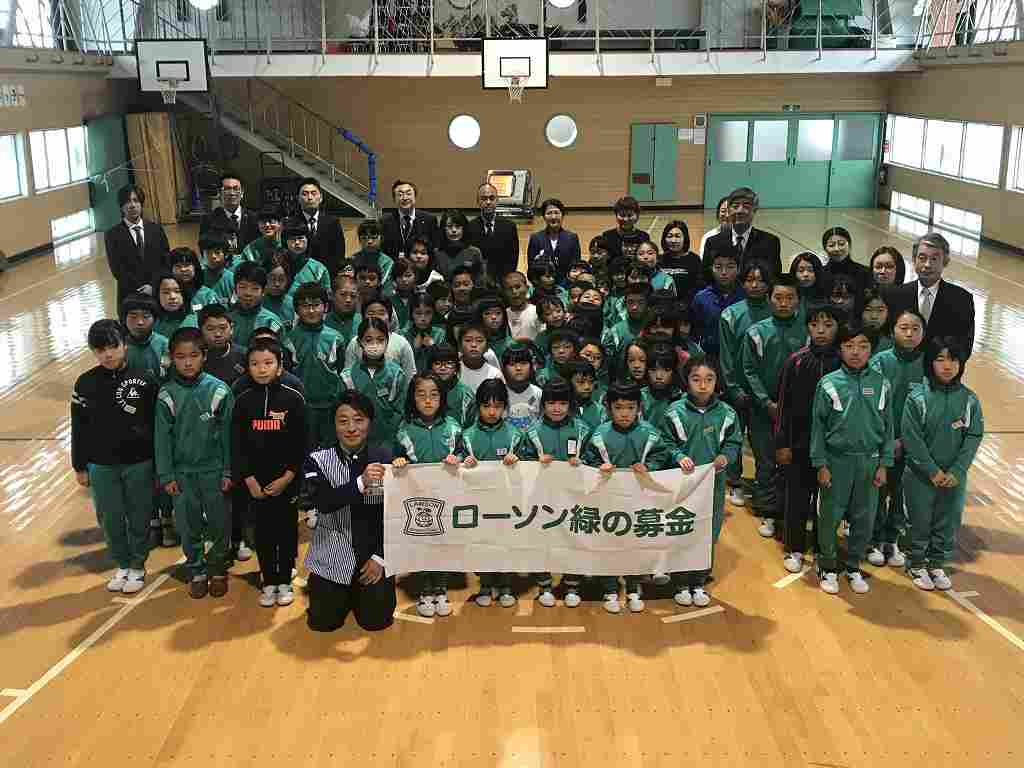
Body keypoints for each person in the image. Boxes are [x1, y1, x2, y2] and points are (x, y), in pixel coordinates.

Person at [72, 320, 159, 594]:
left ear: (124, 345)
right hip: (100, 464)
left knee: (139, 514)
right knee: (109, 517)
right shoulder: (84, 383)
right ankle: (121, 563)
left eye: (113, 347)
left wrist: (160, 463)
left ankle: (137, 564)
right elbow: (79, 427)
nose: (108, 354)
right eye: (100, 349)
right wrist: (80, 466)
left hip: (139, 462)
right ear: (93, 352)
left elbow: (157, 424)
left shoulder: (145, 378)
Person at [810, 323, 894, 596]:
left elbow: (888, 426)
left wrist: (884, 463)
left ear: (872, 349)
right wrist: (821, 464)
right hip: (837, 462)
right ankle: (827, 565)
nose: (856, 352)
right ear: (840, 349)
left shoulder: (881, 384)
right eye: (849, 346)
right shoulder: (829, 383)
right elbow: (818, 428)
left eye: (863, 346)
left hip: (869, 463)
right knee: (830, 516)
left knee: (865, 517)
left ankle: (854, 565)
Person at [303, 391, 396, 632]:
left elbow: (398, 515)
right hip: (333, 551)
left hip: (372, 555)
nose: (351, 428)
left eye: (359, 420)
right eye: (343, 421)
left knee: (377, 622)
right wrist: (360, 482)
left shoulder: (386, 458)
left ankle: (360, 591)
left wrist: (380, 556)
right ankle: (332, 588)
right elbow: (323, 502)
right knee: (322, 623)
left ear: (370, 423)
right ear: (333, 424)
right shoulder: (317, 460)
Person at [155, 327, 235, 599]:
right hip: (182, 473)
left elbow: (228, 435)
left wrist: (228, 470)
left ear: (204, 356)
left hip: (213, 472)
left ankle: (217, 569)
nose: (187, 362)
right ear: (172, 359)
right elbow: (161, 439)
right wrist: (167, 475)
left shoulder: (219, 390)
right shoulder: (167, 394)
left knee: (219, 523)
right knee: (188, 525)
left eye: (193, 356)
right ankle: (197, 569)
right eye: (180, 357)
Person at [902, 336, 984, 592]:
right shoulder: (917, 398)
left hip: (953, 478)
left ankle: (937, 562)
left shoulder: (969, 400)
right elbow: (911, 438)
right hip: (920, 476)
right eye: (940, 359)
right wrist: (932, 470)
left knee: (948, 519)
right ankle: (916, 562)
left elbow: (973, 436)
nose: (947, 366)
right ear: (930, 364)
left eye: (953, 360)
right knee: (920, 520)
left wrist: (958, 470)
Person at [661, 355, 741, 607]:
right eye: (696, 379)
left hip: (713, 485)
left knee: (708, 533)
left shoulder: (727, 413)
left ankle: (699, 581)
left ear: (717, 381)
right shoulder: (674, 411)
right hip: (683, 485)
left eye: (709, 379)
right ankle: (681, 582)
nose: (703, 385)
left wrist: (725, 458)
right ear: (687, 381)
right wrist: (679, 455)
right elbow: (665, 442)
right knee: (682, 530)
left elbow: (734, 442)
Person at [232, 337, 307, 607]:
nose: (261, 369)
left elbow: (302, 443)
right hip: (255, 484)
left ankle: (285, 579)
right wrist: (249, 479)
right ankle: (269, 579)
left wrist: (288, 477)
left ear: (280, 366)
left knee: (286, 531)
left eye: (268, 363)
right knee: (262, 533)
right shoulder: (241, 401)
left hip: (287, 482)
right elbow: (237, 445)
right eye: (254, 363)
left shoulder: (293, 398)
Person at [581, 381, 667, 614]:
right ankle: (609, 588)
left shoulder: (649, 433)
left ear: (639, 407)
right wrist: (600, 466)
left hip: (640, 501)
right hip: (608, 502)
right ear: (609, 408)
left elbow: (663, 456)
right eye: (619, 408)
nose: (625, 413)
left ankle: (633, 586)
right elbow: (587, 460)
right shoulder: (599, 434)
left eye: (630, 408)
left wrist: (649, 466)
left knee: (635, 542)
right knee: (609, 542)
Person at [775, 303, 842, 574]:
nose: (821, 330)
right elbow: (783, 407)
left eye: (828, 325)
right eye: (815, 325)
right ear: (807, 328)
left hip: (832, 450)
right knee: (797, 499)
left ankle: (821, 544)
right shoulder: (796, 361)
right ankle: (794, 547)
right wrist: (782, 443)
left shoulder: (843, 361)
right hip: (799, 446)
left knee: (828, 502)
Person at [392, 372, 464, 618]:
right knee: (422, 542)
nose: (428, 400)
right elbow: (396, 456)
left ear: (442, 398)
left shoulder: (454, 426)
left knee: (443, 544)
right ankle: (424, 589)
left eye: (434, 395)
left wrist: (459, 459)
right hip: (418, 500)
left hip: (447, 498)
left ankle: (441, 588)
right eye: (421, 395)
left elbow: (464, 455)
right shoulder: (404, 429)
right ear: (413, 399)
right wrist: (398, 460)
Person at [741, 273, 806, 535]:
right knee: (766, 462)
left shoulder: (806, 331)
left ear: (798, 301)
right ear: (769, 300)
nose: (783, 303)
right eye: (778, 297)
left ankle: (788, 512)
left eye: (790, 298)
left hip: (795, 413)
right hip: (763, 411)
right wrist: (766, 402)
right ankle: (767, 512)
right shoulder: (756, 332)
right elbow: (749, 370)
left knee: (792, 463)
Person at [521, 376, 589, 608]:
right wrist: (535, 463)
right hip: (542, 499)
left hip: (573, 499)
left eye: (562, 403)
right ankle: (544, 586)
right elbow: (522, 462)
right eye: (551, 403)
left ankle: (572, 585)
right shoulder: (532, 431)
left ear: (570, 404)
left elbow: (594, 460)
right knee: (542, 542)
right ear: (543, 405)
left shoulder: (582, 430)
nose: (557, 408)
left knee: (573, 540)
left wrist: (583, 462)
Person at [866, 308, 926, 569]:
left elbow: (929, 410)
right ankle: (874, 538)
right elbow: (872, 405)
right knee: (877, 490)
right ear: (892, 331)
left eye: (915, 328)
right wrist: (888, 440)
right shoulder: (879, 361)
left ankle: (893, 538)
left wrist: (907, 441)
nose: (910, 333)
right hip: (881, 441)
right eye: (904, 328)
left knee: (901, 493)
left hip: (912, 444)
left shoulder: (928, 364)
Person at [460, 379, 523, 608]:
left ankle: (506, 585)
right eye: (486, 406)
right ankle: (485, 584)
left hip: (506, 504)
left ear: (505, 407)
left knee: (505, 544)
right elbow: (455, 462)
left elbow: (528, 466)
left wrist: (518, 460)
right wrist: (463, 462)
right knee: (482, 545)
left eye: (497, 406)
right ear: (478, 407)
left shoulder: (515, 435)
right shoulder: (467, 436)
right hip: (478, 505)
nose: (492, 411)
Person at [718, 260, 773, 510]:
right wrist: (734, 389)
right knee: (734, 441)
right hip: (736, 393)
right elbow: (726, 356)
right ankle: (735, 483)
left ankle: (764, 489)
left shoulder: (777, 312)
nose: (755, 285)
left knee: (764, 446)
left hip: (764, 396)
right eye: (750, 280)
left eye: (760, 280)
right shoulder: (730, 315)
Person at [885, 232, 976, 358]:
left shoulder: (961, 300)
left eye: (934, 259)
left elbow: (964, 346)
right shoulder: (896, 295)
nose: (927, 265)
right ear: (914, 260)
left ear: (945, 262)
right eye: (922, 258)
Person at [285, 282, 343, 450]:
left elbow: (340, 371)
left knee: (330, 452)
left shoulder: (336, 338)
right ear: (296, 310)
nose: (311, 311)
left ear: (325, 307)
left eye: (316, 305)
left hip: (330, 407)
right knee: (303, 451)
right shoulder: (289, 339)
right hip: (301, 407)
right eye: (305, 306)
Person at [339, 317, 408, 446]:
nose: (374, 345)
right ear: (360, 342)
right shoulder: (346, 376)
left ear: (387, 341)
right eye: (368, 340)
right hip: (356, 442)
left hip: (388, 443)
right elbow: (342, 413)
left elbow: (400, 412)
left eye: (380, 340)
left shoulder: (397, 374)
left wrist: (390, 439)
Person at [104, 184, 171, 310]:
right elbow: (117, 269)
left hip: (157, 293)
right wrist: (140, 289)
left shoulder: (156, 229)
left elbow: (166, 261)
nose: (132, 205)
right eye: (128, 201)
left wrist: (153, 286)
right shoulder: (112, 235)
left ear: (141, 204)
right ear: (121, 206)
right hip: (129, 296)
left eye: (136, 200)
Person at [702, 188, 782, 282]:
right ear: (728, 210)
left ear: (754, 210)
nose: (740, 211)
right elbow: (706, 277)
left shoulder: (770, 242)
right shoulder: (712, 242)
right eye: (735, 206)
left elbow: (774, 277)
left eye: (746, 206)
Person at [692, 249, 742, 363]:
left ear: (738, 269)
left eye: (730, 267)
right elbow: (694, 332)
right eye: (718, 267)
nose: (724, 272)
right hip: (710, 357)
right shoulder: (701, 298)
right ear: (711, 268)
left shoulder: (746, 297)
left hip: (740, 358)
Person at [466, 183, 520, 284]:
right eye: (484, 198)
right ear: (477, 201)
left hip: (503, 280)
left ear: (497, 200)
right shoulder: (469, 227)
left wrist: (506, 280)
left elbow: (513, 258)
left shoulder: (509, 226)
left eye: (492, 198)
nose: (488, 202)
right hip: (478, 281)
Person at [381, 180, 439, 266]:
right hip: (394, 270)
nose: (405, 198)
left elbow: (434, 248)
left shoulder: (429, 220)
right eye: (400, 195)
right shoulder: (384, 221)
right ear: (394, 199)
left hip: (421, 269)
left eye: (408, 194)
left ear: (415, 197)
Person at [296, 178, 345, 278]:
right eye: (305, 194)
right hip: (299, 276)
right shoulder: (291, 223)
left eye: (313, 193)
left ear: (321, 197)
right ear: (298, 198)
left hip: (327, 276)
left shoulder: (333, 222)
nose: (310, 197)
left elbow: (339, 253)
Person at [228, 262, 285, 346]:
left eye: (255, 288)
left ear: (263, 291)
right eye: (242, 287)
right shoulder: (226, 320)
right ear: (235, 289)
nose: (248, 293)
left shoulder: (271, 322)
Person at [527, 198, 581, 284]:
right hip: (543, 285)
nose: (553, 217)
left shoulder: (572, 237)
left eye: (556, 213)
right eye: (549, 213)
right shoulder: (536, 238)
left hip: (566, 285)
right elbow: (531, 267)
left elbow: (576, 265)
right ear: (544, 217)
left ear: (562, 215)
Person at [200, 172, 260, 249]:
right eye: (227, 189)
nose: (232, 193)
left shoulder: (254, 218)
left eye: (236, 189)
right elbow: (204, 247)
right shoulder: (209, 220)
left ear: (242, 193)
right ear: (219, 193)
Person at [281, 218, 332, 298]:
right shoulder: (278, 265)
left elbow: (326, 298)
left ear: (308, 239)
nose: (297, 242)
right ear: (285, 242)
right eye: (292, 239)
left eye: (300, 238)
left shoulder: (319, 268)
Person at [198, 304, 247, 388]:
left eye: (222, 328)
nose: (217, 334)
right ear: (200, 330)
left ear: (231, 329)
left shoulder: (245, 355)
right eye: (210, 329)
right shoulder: (195, 357)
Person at [428, 343, 476, 427]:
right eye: (437, 363)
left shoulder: (466, 395)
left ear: (456, 367)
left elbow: (472, 429)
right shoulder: (423, 391)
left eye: (448, 363)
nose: (443, 368)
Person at [122, 295, 168, 380]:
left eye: (146, 316)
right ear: (124, 319)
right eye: (133, 317)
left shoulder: (164, 344)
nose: (140, 322)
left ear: (154, 319)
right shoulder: (120, 346)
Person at [821, 227, 872, 298]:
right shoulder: (820, 273)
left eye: (841, 244)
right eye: (831, 245)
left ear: (849, 245)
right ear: (825, 248)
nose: (837, 249)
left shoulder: (865, 272)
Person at [661, 220, 703, 300]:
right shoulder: (659, 260)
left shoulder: (694, 259)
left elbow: (699, 287)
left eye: (677, 236)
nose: (673, 240)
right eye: (670, 236)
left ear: (685, 238)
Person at [503, 344, 542, 430]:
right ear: (504, 368)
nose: (518, 368)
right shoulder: (499, 393)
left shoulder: (538, 393)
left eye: (523, 363)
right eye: (512, 364)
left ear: (531, 366)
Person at [642, 343, 681, 428]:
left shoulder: (681, 398)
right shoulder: (639, 398)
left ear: (674, 371)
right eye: (653, 369)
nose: (659, 376)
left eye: (666, 370)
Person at [458, 323, 504, 394]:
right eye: (468, 340)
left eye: (479, 341)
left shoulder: (495, 374)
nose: (474, 345)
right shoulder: (454, 371)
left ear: (487, 346)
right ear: (460, 345)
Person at [600, 196, 649, 262]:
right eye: (622, 215)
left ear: (637, 216)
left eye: (629, 215)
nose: (626, 219)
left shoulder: (644, 236)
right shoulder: (607, 236)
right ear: (616, 215)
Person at [152, 274, 198, 340]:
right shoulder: (151, 323)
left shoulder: (196, 322)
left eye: (177, 291)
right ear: (157, 296)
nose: (172, 296)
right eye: (166, 292)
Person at [352, 219, 395, 288]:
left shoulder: (388, 262)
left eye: (374, 237)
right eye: (364, 238)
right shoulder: (353, 259)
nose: (369, 241)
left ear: (381, 238)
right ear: (359, 240)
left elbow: (383, 285)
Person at [503, 271, 542, 341]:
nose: (514, 292)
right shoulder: (502, 315)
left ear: (527, 288)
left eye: (518, 287)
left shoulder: (537, 312)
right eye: (509, 289)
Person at [199, 230, 235, 305]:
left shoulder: (232, 279)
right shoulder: (197, 278)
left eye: (217, 252)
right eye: (208, 252)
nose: (213, 256)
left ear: (226, 254)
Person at [263, 258, 296, 328]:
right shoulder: (258, 302)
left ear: (287, 280)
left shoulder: (293, 304)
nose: (277, 284)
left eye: (281, 279)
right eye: (272, 279)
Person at [437, 209, 469, 274]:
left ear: (464, 228)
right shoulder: (436, 254)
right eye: (449, 226)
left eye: (457, 226)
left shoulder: (474, 252)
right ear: (443, 229)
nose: (454, 230)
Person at [861, 287, 893, 354]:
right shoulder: (849, 338)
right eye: (868, 310)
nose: (874, 316)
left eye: (880, 310)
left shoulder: (895, 342)